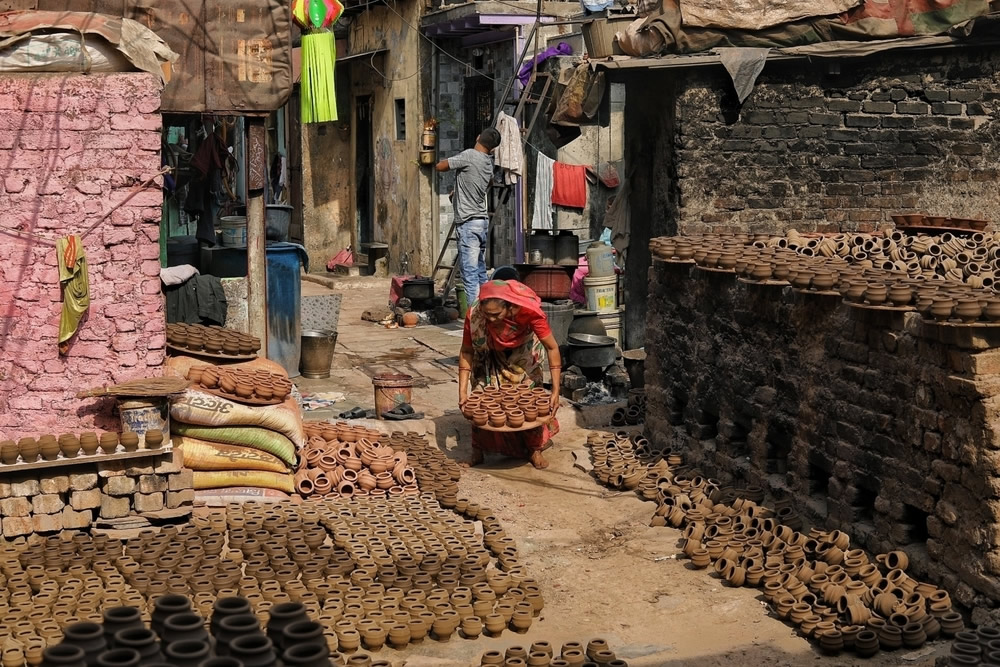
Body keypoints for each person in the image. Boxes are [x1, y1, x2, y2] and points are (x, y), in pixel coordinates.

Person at [458, 280, 561, 469]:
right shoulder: (475, 315)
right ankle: (478, 451)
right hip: (488, 353)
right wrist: (462, 392)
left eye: (496, 315)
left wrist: (555, 390)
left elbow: (552, 347)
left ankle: (533, 449)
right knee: (481, 399)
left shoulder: (528, 312)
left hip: (522, 353)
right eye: (486, 314)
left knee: (529, 399)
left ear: (510, 307)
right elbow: (466, 351)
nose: (490, 320)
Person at [436, 128, 502, 305]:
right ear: (493, 148)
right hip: (481, 222)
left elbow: (441, 166)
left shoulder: (470, 155)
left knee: (470, 273)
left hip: (468, 223)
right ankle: (489, 309)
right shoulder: (488, 162)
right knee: (480, 271)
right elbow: (487, 182)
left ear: (478, 137)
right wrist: (458, 192)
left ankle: (475, 318)